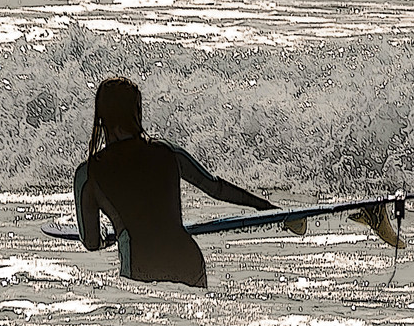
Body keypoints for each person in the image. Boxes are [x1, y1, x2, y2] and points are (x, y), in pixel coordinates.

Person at [73, 76, 278, 288]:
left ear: (101, 117)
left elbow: (91, 242)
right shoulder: (168, 152)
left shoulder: (88, 173)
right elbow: (216, 188)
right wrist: (264, 207)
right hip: (187, 263)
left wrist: (109, 237)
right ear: (137, 112)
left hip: (141, 268)